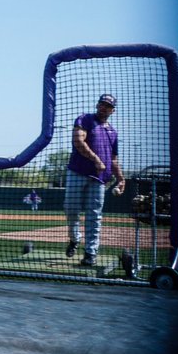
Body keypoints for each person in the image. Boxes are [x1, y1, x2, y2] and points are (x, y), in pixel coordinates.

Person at [65, 93, 125, 267]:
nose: (103, 107)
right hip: (78, 172)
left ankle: (90, 253)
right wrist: (96, 159)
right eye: (101, 104)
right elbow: (78, 141)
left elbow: (113, 159)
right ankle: (75, 239)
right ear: (97, 105)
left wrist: (121, 178)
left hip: (99, 178)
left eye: (108, 106)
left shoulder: (112, 132)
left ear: (113, 111)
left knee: (94, 215)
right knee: (71, 209)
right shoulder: (85, 119)